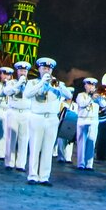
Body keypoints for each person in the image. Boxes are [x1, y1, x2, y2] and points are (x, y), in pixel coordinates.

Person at [24, 56, 71, 186]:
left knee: (48, 148)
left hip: (52, 118)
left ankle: (44, 177)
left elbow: (69, 95)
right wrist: (41, 83)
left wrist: (57, 86)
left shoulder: (57, 84)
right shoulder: (32, 83)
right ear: (39, 69)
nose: (47, 71)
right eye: (44, 68)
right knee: (34, 146)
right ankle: (32, 175)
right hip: (37, 117)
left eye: (49, 69)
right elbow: (27, 94)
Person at [0, 60, 31, 173]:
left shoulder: (31, 84)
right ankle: (9, 162)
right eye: (21, 70)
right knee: (11, 138)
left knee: (24, 139)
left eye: (24, 71)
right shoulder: (12, 83)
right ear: (17, 72)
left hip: (26, 113)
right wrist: (19, 84)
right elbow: (6, 92)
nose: (23, 73)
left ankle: (21, 164)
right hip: (13, 112)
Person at [75, 77, 105, 170]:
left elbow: (103, 105)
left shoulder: (97, 96)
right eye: (89, 85)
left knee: (91, 143)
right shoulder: (81, 95)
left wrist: (100, 98)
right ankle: (81, 163)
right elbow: (82, 104)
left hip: (93, 120)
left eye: (93, 85)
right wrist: (91, 98)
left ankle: (89, 164)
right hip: (83, 120)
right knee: (82, 143)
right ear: (85, 86)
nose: (91, 87)